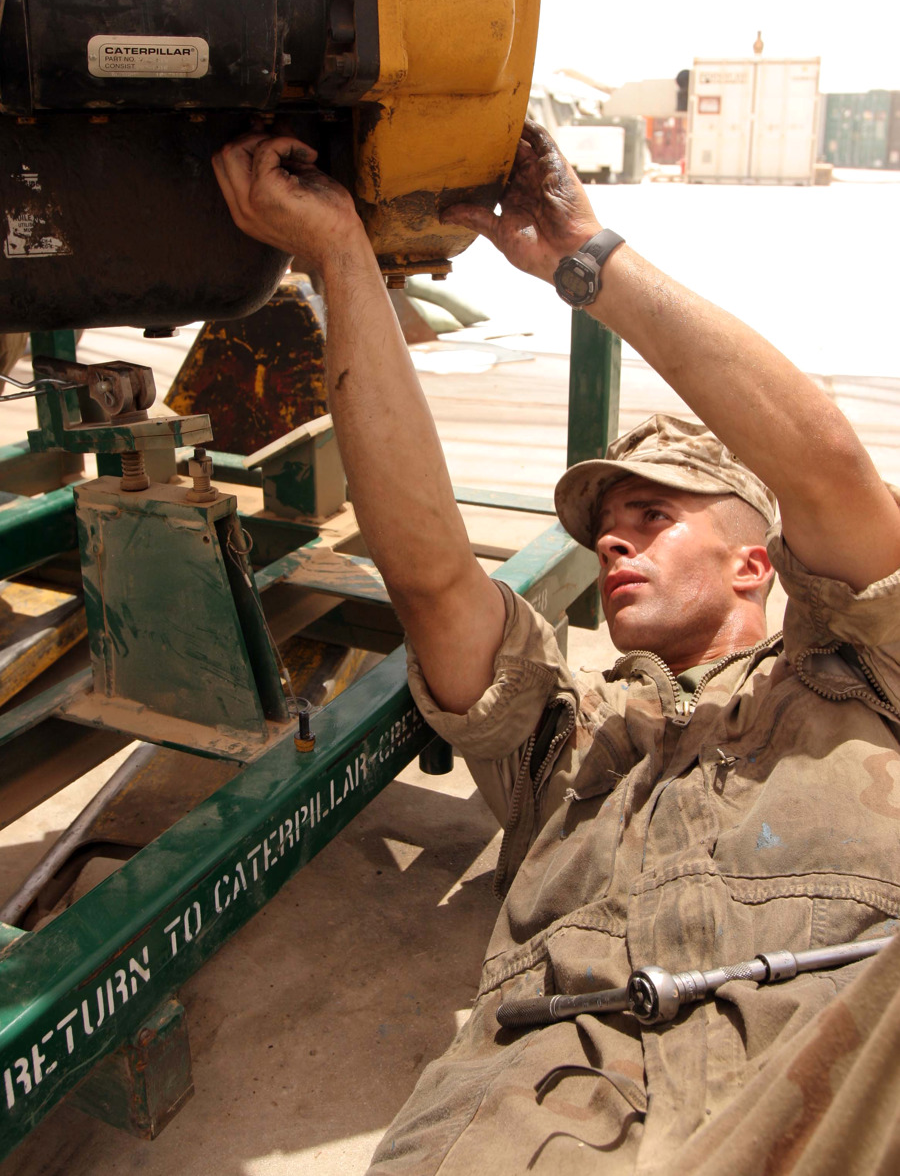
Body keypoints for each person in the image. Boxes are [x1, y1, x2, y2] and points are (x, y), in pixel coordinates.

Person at [213, 122, 900, 1174]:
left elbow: (831, 473)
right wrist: (340, 253)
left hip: (825, 1097)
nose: (614, 540)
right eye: (606, 528)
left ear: (754, 564)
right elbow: (433, 580)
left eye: (654, 517)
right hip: (533, 1123)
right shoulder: (570, 741)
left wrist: (585, 259)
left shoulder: (858, 678)